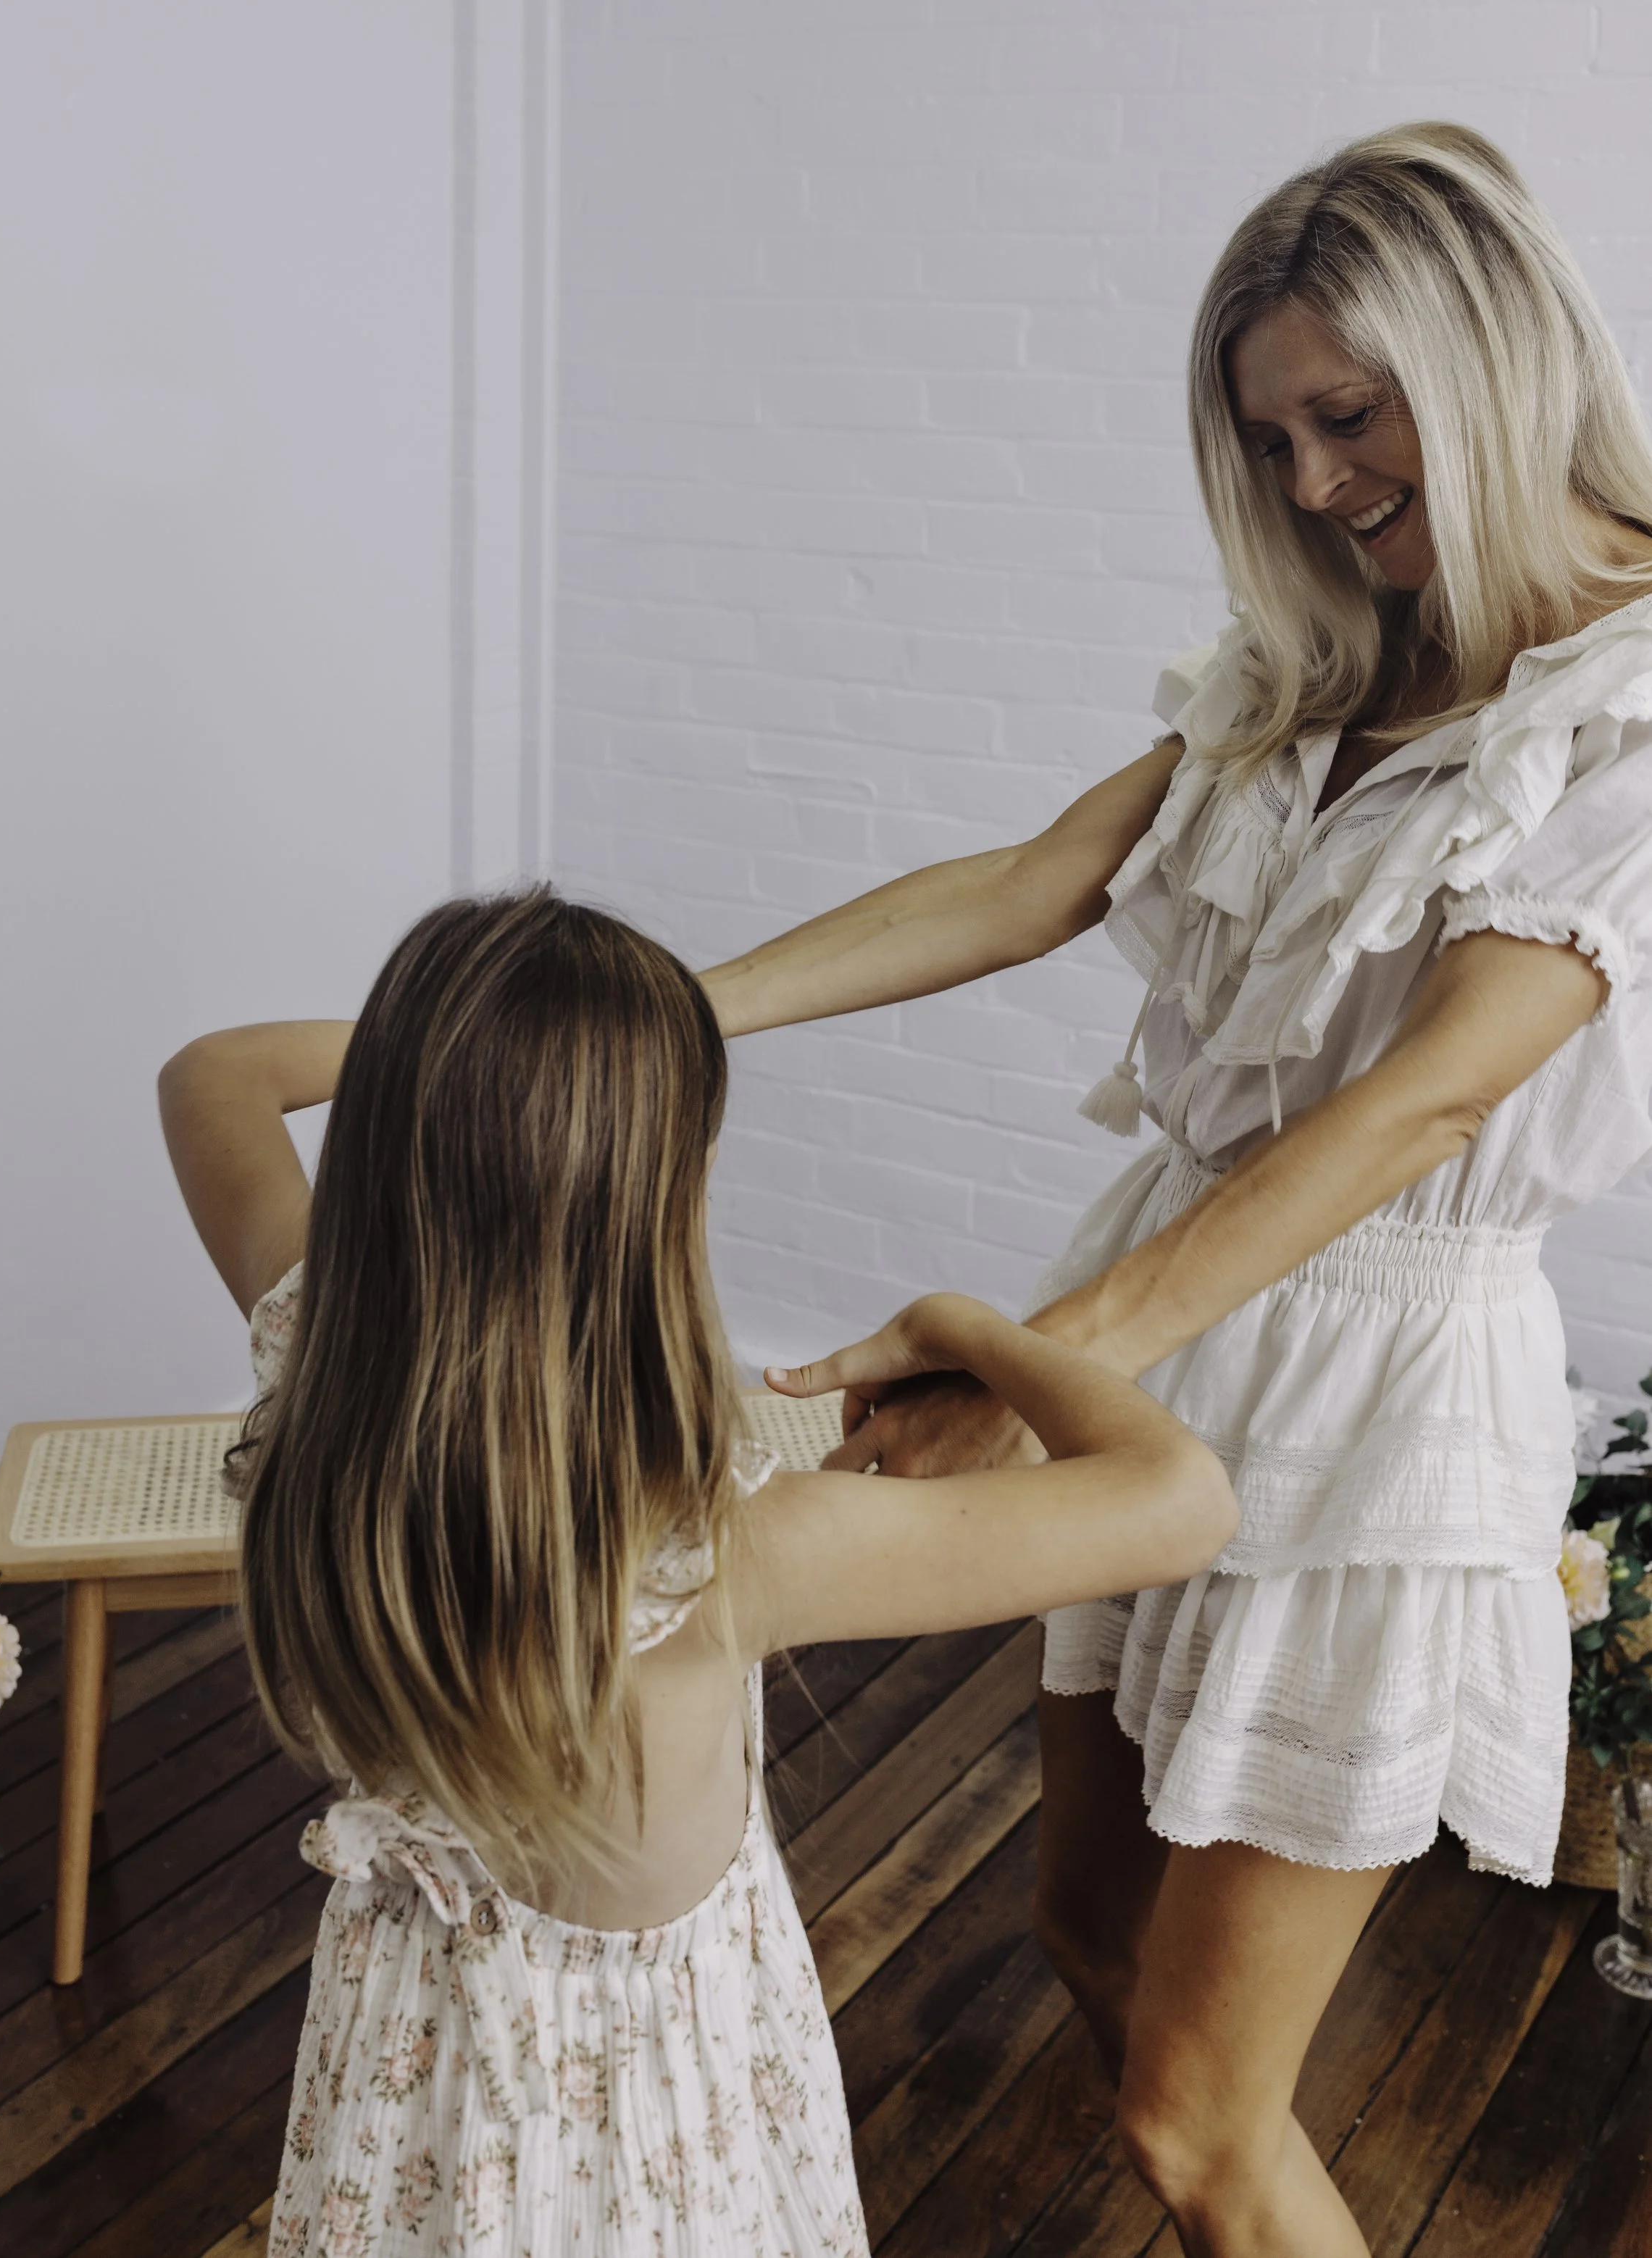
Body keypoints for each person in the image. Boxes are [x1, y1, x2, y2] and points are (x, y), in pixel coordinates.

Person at [704, 123, 1652, 2257]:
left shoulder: (1631, 703)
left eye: (1350, 413)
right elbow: (1039, 880)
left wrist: (1032, 1377)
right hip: (1162, 1290)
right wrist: (667, 1006)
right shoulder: (1326, 652)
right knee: (1081, 1931)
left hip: (1372, 1384)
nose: (1314, 482)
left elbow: (1412, 1108)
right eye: (1270, 436)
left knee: (1191, 2123)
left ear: (1495, 358)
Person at [158, 889, 1236, 2258]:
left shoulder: (314, 1363)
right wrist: (967, 1326)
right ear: (657, 1193)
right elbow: (1182, 1499)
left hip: (411, 2066)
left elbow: (214, 1072)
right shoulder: (728, 1558)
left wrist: (473, 1056)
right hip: (641, 2141)